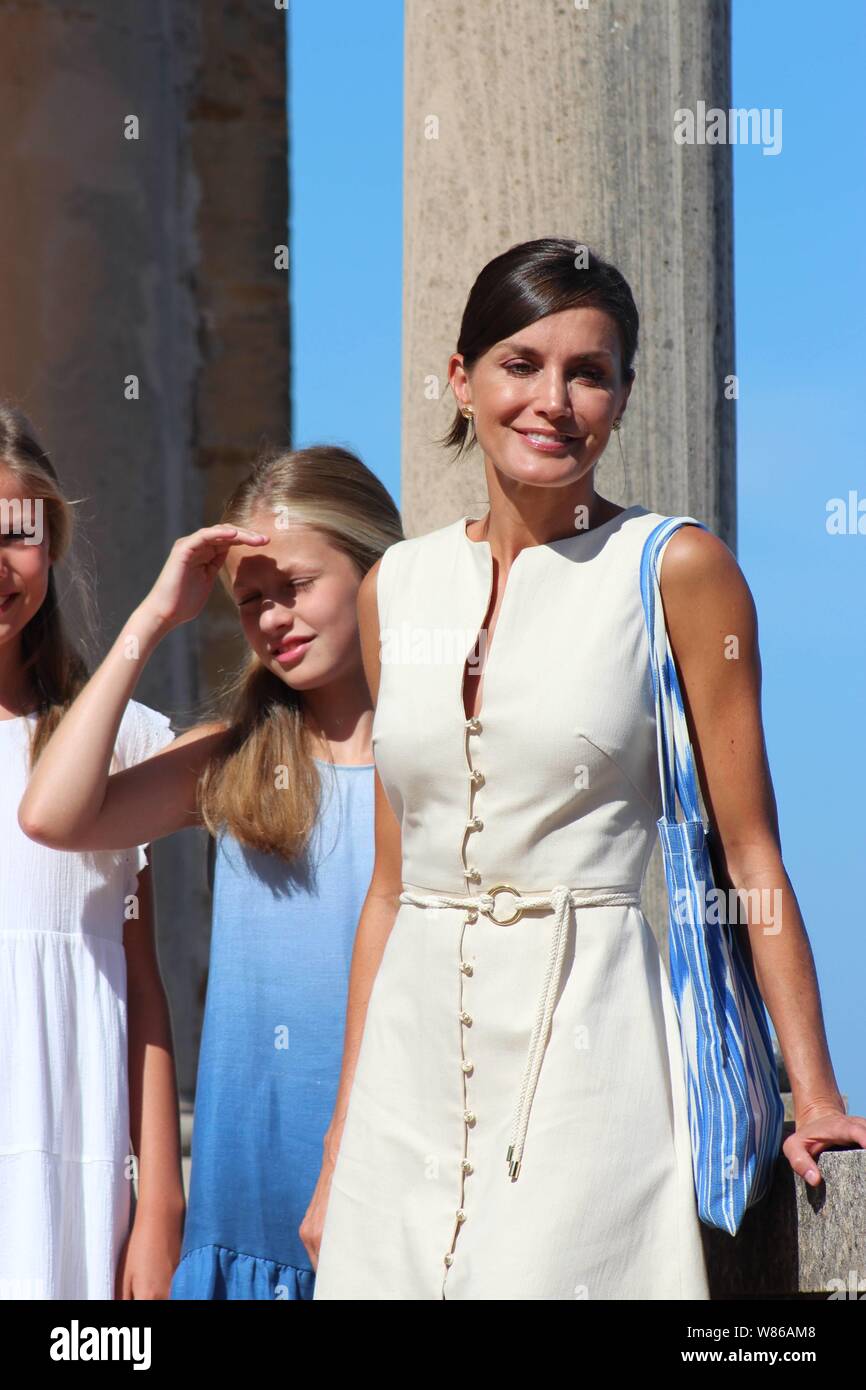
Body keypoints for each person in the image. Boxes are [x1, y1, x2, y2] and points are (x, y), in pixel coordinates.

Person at [304, 237, 865, 1300]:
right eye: (520, 364)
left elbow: (749, 852)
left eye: (588, 372)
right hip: (402, 1083)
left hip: (587, 1051)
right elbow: (390, 884)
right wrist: (343, 1137)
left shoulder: (677, 569)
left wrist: (815, 1092)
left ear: (621, 395)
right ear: (460, 380)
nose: (552, 399)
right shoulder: (395, 586)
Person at [19, 444, 402, 1300]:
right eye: (250, 600)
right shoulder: (232, 762)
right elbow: (53, 814)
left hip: (391, 1211)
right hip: (245, 1226)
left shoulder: (443, 768)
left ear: (377, 573)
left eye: (294, 587)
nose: (271, 619)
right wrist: (153, 618)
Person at [0, 402, 182, 1300]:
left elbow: (143, 986)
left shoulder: (125, 743)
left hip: (77, 1164)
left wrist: (161, 1210)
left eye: (17, 535)